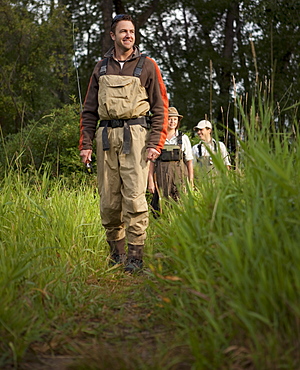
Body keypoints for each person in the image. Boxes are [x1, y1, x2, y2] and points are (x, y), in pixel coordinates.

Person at [79, 14, 168, 273]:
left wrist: (155, 143)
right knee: (108, 200)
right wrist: (85, 144)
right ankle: (116, 255)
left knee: (135, 199)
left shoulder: (147, 65)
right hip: (105, 137)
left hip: (136, 137)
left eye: (131, 31)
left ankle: (136, 258)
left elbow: (160, 107)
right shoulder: (101, 67)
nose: (128, 35)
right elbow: (89, 110)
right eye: (123, 32)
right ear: (113, 36)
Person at [148, 107, 194, 214]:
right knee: (160, 209)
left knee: (180, 208)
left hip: (179, 179)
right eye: (169, 119)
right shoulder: (158, 138)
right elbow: (151, 162)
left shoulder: (183, 138)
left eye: (175, 119)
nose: (172, 122)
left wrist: (190, 181)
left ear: (178, 121)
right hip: (161, 179)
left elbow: (189, 161)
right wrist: (150, 181)